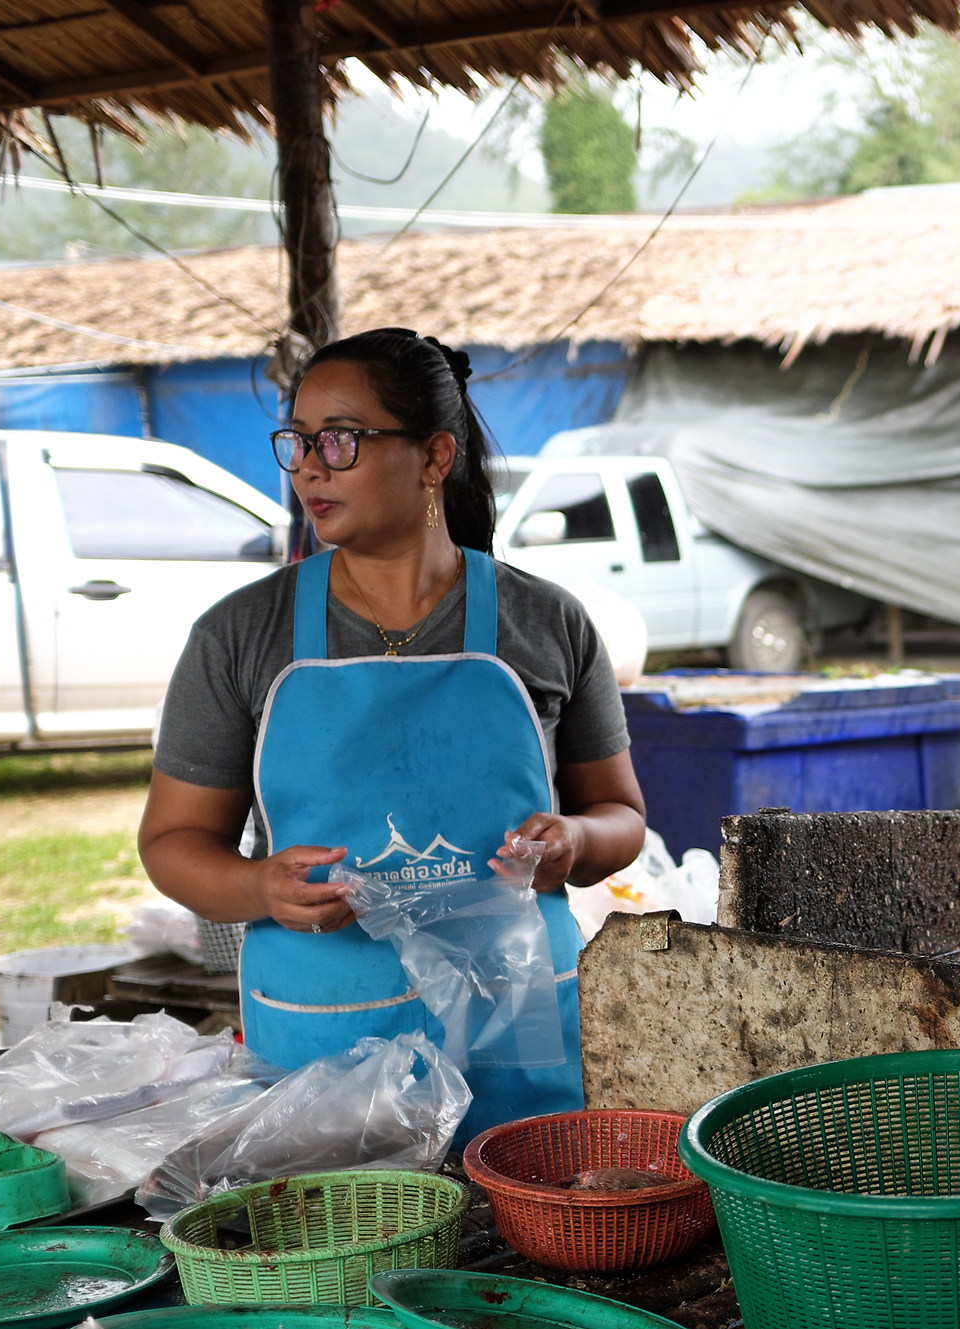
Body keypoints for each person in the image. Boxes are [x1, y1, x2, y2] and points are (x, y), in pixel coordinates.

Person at [139, 327, 647, 1141]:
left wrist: (573, 842)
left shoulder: (545, 622)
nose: (309, 465)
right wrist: (260, 889)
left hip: (510, 1020)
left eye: (339, 440)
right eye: (298, 441)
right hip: (325, 1030)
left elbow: (621, 817)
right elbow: (173, 840)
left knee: (512, 1223)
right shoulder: (239, 635)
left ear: (434, 457)